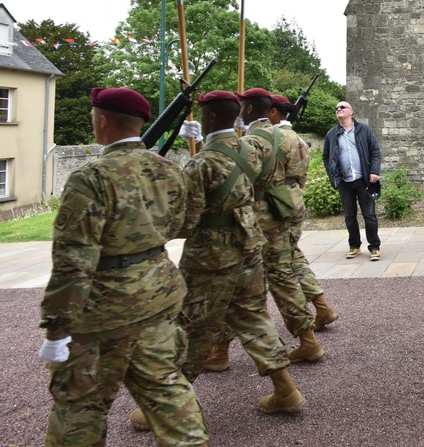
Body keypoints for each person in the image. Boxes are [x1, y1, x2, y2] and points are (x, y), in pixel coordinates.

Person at [39, 87, 209, 446]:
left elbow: (73, 262)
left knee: (80, 405)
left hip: (104, 309)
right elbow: (184, 225)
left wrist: (57, 328)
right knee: (166, 390)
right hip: (158, 294)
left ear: (101, 123)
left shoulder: (91, 178)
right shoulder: (168, 169)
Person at [130, 91, 304, 430]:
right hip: (249, 244)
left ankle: (167, 407)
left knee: (190, 324)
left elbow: (184, 221)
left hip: (209, 256)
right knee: (254, 317)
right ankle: (286, 390)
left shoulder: (201, 163)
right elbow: (268, 183)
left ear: (208, 119)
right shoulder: (251, 149)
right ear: (234, 116)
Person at [239, 88, 323, 364]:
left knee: (275, 276)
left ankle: (305, 337)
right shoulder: (291, 136)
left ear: (250, 109)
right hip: (289, 201)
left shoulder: (254, 140)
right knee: (287, 265)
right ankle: (318, 316)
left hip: (266, 211)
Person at [270, 94, 339, 331]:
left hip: (273, 204)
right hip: (294, 200)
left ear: (273, 112)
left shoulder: (271, 139)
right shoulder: (298, 139)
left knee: (279, 266)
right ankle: (321, 306)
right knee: (292, 254)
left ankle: (304, 325)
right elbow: (302, 176)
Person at [323, 100, 383, 259]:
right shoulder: (331, 134)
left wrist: (374, 171)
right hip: (344, 181)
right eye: (336, 108)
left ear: (351, 111)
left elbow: (375, 152)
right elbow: (326, 157)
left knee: (369, 215)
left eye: (342, 107)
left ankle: (374, 247)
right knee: (350, 216)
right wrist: (332, 174)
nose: (338, 109)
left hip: (363, 179)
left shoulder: (364, 130)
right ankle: (354, 245)